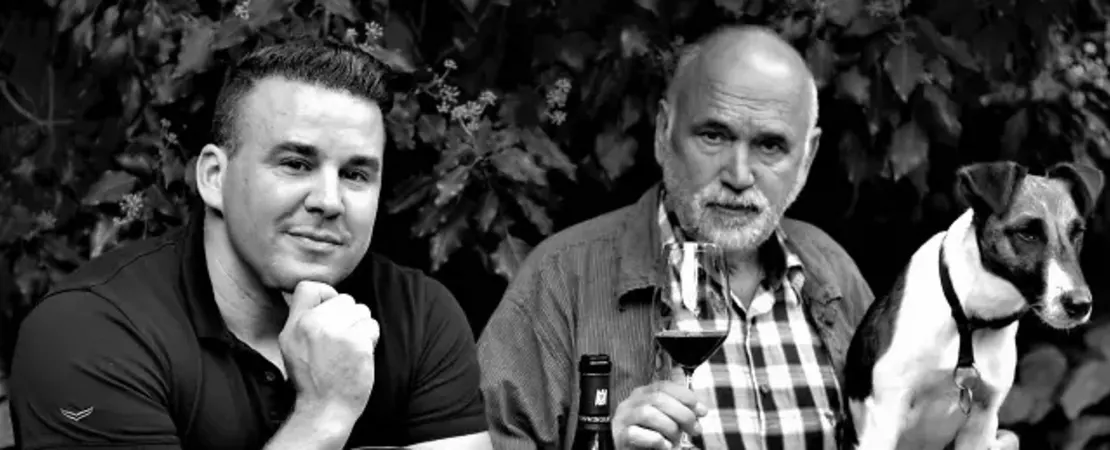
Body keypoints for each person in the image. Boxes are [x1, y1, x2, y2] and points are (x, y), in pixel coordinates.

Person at [477, 26, 1019, 450]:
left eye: (770, 146)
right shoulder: (562, 281)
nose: (739, 175)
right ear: (664, 134)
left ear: (806, 158)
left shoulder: (832, 272)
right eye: (714, 135)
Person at [9, 40, 492, 450]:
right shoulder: (90, 333)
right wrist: (324, 414)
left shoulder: (418, 316)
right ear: (213, 177)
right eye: (296, 164)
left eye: (355, 174)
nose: (329, 201)